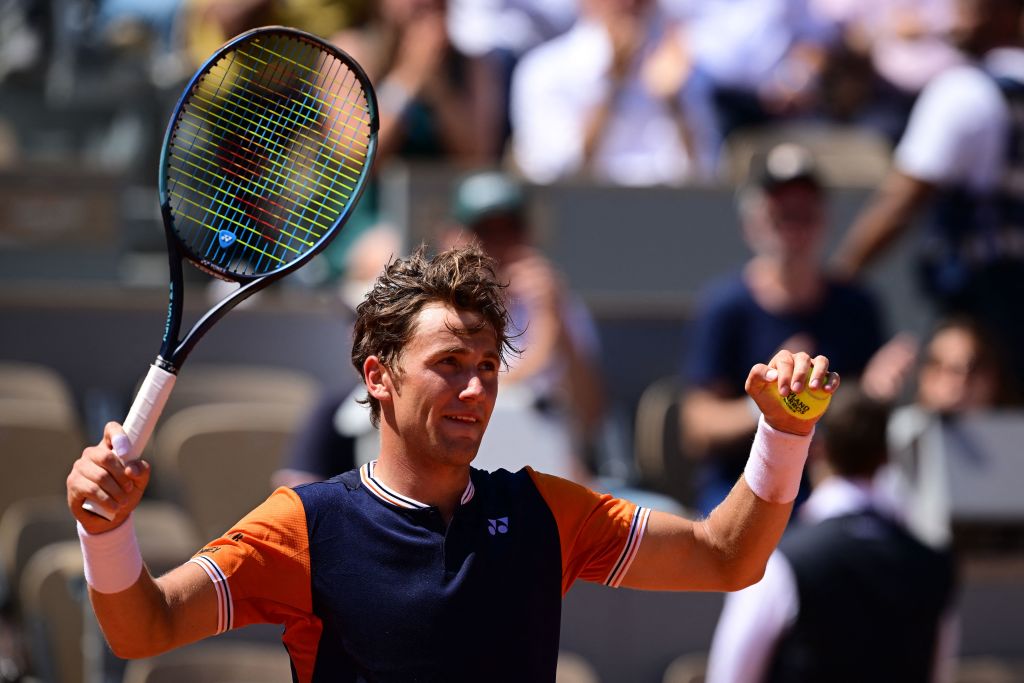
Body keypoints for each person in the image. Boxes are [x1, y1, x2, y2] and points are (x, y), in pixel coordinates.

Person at [68, 243, 840, 681]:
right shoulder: (303, 527)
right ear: (378, 376)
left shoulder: (548, 513)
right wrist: (106, 529)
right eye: (448, 363)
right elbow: (145, 627)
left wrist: (784, 432)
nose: (476, 388)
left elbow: (729, 556)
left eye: (488, 365)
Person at [680, 142, 902, 515]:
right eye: (781, 214)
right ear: (752, 223)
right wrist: (771, 405)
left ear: (823, 221)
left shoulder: (856, 305)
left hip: (836, 492)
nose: (794, 228)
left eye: (805, 214)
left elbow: (867, 425)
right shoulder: (726, 306)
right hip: (742, 488)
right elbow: (698, 427)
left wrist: (872, 396)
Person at [830, 0, 1024, 387]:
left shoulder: (962, 91)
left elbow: (901, 203)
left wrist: (838, 281)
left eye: (973, 6)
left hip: (990, 307)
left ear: (1006, 11)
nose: (957, 14)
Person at [705, 387, 958, 683]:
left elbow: (729, 676)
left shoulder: (780, 562)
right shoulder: (934, 565)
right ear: (886, 456)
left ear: (816, 449)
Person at [509, 0, 720, 186]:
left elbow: (707, 173)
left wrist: (676, 103)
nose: (630, 3)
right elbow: (554, 174)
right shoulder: (543, 71)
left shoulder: (684, 71)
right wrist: (610, 87)